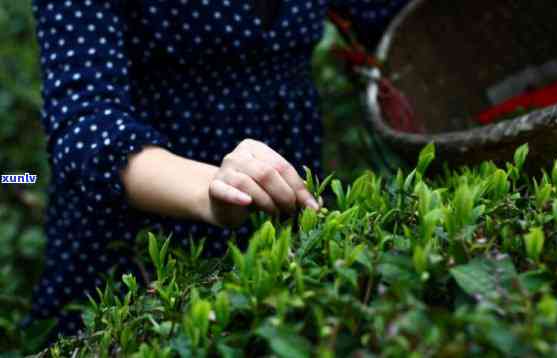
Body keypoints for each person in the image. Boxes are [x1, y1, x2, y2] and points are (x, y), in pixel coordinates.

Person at [25, 0, 410, 343]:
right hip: (143, 249)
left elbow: (386, 16)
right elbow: (83, 125)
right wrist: (213, 185)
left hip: (284, 225)